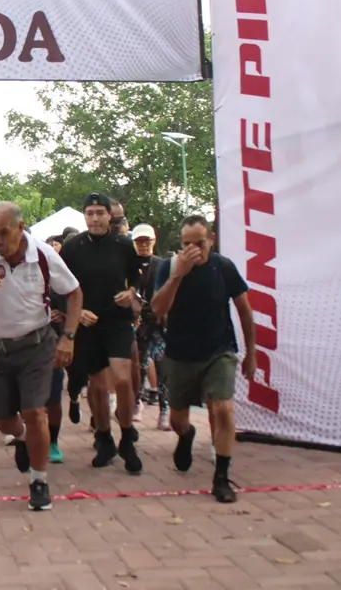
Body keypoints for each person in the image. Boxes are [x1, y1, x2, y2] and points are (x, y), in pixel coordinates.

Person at [0, 202, 82, 511]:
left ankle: (38, 481)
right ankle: (21, 437)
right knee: (5, 421)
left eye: (3, 233)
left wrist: (69, 338)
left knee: (35, 413)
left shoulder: (44, 256)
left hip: (37, 344)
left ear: (20, 229)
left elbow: (74, 292)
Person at [151, 216, 257, 503]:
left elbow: (245, 311)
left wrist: (251, 354)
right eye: (187, 244)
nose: (193, 249)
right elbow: (157, 308)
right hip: (180, 354)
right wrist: (178, 274)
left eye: (199, 242)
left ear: (210, 240)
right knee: (177, 420)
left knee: (223, 408)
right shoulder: (169, 267)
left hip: (218, 350)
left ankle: (221, 477)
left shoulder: (223, 267)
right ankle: (186, 436)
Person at [60, 192, 145, 474]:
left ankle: (127, 436)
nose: (95, 218)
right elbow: (59, 287)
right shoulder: (72, 248)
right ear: (85, 217)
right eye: (90, 213)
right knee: (96, 386)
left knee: (122, 379)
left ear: (110, 215)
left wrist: (131, 291)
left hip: (118, 322)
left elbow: (137, 276)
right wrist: (77, 312)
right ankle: (104, 437)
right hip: (88, 325)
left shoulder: (123, 244)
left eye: (100, 213)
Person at [131, 223, 170, 431]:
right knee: (139, 364)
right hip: (137, 323)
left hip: (159, 322)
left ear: (154, 241)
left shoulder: (163, 264)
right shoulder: (129, 265)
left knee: (162, 365)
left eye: (147, 241)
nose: (143, 245)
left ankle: (164, 409)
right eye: (139, 241)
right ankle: (137, 402)